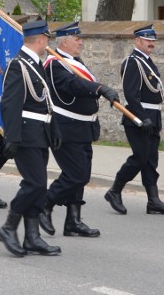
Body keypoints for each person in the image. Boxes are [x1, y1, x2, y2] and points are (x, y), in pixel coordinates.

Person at [40, 21, 120, 238]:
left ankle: (73, 221)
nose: (81, 43)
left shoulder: (72, 61)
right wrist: (100, 88)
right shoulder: (55, 65)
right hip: (66, 128)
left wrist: (98, 89)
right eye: (77, 39)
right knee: (77, 174)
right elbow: (72, 85)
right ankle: (45, 204)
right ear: (64, 41)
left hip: (83, 127)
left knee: (80, 175)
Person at [0, 20, 61, 257]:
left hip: (39, 133)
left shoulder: (35, 65)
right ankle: (9, 227)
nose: (47, 44)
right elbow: (10, 104)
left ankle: (32, 237)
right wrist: (11, 137)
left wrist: (53, 130)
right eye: (47, 39)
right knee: (34, 184)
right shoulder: (18, 65)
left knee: (39, 186)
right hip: (25, 134)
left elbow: (44, 102)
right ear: (41, 39)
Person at [105, 24, 164, 216]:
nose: (151, 43)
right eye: (147, 40)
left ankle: (153, 200)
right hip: (137, 118)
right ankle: (114, 190)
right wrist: (143, 117)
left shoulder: (147, 62)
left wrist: (151, 117)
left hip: (153, 115)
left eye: (153, 40)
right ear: (137, 41)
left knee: (151, 159)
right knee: (140, 157)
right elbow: (131, 94)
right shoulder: (133, 62)